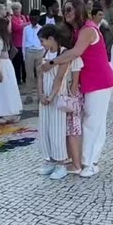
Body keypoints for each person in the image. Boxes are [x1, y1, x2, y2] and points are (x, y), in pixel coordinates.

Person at [43, 0, 113, 178]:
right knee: (87, 122)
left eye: (69, 9)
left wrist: (52, 63)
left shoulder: (88, 30)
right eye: (64, 9)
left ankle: (90, 163)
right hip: (87, 81)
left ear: (78, 10)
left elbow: (75, 53)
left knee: (93, 122)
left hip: (99, 81)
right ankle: (83, 161)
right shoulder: (76, 31)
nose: (65, 12)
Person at [35, 25, 76, 180]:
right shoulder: (44, 53)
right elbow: (39, 75)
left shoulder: (64, 53)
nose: (41, 44)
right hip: (45, 97)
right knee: (45, 129)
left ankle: (61, 163)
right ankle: (50, 160)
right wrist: (41, 95)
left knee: (57, 130)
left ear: (51, 39)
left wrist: (51, 96)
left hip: (57, 97)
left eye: (42, 40)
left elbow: (60, 77)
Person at [22, 10, 44, 86]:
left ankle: (40, 94)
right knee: (29, 74)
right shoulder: (26, 28)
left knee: (40, 74)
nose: (34, 21)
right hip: (29, 52)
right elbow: (23, 42)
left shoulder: (42, 28)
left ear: (38, 19)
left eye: (35, 19)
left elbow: (43, 42)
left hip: (39, 51)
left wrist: (43, 54)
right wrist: (24, 55)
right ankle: (29, 94)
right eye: (32, 19)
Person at [9, 2, 29, 86]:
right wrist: (25, 25)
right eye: (14, 9)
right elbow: (16, 27)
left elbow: (28, 25)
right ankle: (17, 79)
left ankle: (25, 78)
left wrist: (23, 25)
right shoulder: (12, 18)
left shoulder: (23, 17)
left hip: (24, 43)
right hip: (16, 43)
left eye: (17, 8)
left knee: (24, 62)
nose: (16, 10)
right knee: (17, 63)